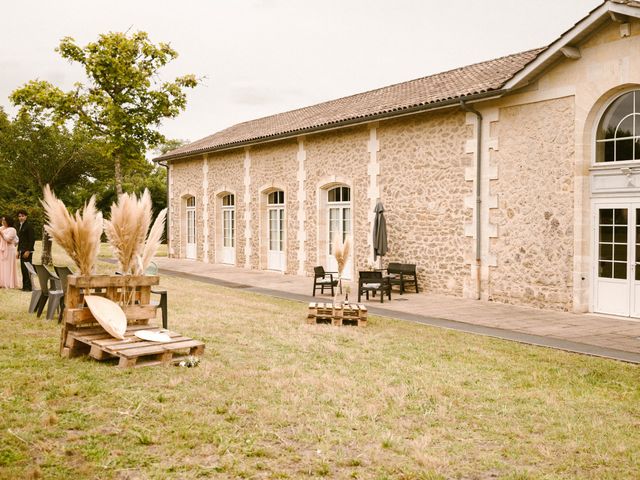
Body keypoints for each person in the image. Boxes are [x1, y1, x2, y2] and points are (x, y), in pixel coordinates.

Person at [16, 209, 35, 292]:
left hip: (27, 251)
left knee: (27, 269)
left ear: (26, 216)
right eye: (19, 216)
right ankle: (25, 286)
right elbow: (20, 240)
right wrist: (18, 251)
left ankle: (28, 287)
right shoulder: (21, 226)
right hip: (22, 250)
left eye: (22, 216)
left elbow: (32, 240)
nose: (21, 218)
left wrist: (28, 250)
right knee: (23, 269)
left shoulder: (29, 226)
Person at [0, 216, 21, 289]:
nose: (3, 222)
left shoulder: (12, 230)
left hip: (9, 250)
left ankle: (9, 283)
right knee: (2, 266)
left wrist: (1, 233)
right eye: (2, 221)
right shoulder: (1, 228)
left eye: (4, 220)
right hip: (2, 249)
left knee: (8, 266)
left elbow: (8, 239)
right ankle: (2, 282)